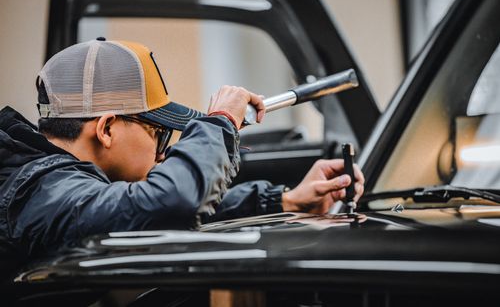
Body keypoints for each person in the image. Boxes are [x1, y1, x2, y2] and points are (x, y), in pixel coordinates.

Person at [0, 38, 364, 258]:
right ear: (107, 128)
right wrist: (220, 121)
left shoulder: (55, 187)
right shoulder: (40, 192)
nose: (162, 154)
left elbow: (138, 212)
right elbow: (170, 201)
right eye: (159, 133)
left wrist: (284, 202)